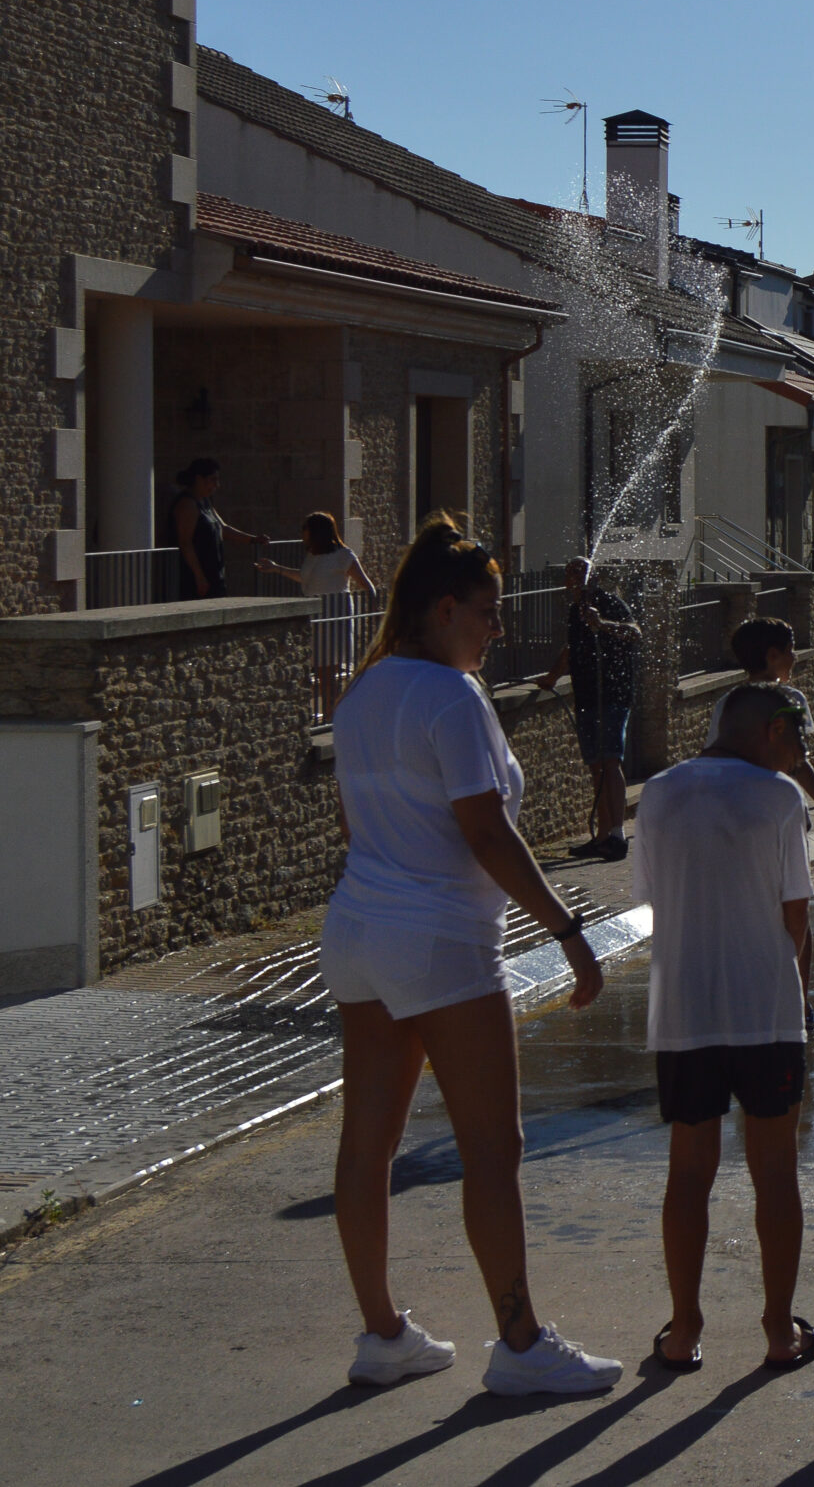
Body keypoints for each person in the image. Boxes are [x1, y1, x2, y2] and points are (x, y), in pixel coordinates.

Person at [318, 516, 620, 1396]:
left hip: (358, 931)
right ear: (443, 609)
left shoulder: (364, 692)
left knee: (367, 1144)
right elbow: (486, 832)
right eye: (486, 612)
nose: (497, 627)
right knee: (493, 1146)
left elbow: (356, 824)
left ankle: (382, 1335)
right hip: (441, 938)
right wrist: (568, 932)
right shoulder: (452, 696)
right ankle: (520, 1344)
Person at [633, 682, 814, 1372]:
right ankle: (778, 1329)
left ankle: (684, 1329)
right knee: (775, 1170)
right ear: (772, 730)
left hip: (684, 1010)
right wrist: (787, 985)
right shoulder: (778, 797)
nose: (802, 754)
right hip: (764, 1010)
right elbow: (795, 915)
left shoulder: (658, 794)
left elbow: (653, 901)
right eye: (799, 739)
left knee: (688, 1171)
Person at [536, 557, 642, 861]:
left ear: (593, 578)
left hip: (612, 693)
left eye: (581, 573)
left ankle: (618, 836)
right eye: (572, 573)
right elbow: (573, 648)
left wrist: (603, 624)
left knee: (610, 760)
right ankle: (602, 835)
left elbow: (635, 633)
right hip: (586, 695)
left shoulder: (608, 603)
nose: (576, 579)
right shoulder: (575, 611)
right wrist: (552, 677)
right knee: (596, 764)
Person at [731, 616, 814, 860]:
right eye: (790, 650)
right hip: (782, 817)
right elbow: (799, 763)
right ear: (772, 656)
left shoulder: (728, 705)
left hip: (741, 822)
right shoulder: (790, 700)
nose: (795, 657)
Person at [258, 512, 378, 714]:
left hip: (334, 618)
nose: (303, 533)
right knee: (323, 672)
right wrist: (277, 569)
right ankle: (331, 714)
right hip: (316, 618)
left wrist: (372, 615)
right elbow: (306, 579)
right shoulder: (313, 555)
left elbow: (367, 586)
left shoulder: (344, 556)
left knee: (329, 673)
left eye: (305, 529)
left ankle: (332, 715)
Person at [169, 458, 265, 600]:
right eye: (213, 480)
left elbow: (222, 528)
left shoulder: (205, 501)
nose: (216, 485)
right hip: (195, 578)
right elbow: (185, 543)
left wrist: (252, 539)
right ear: (199, 479)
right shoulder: (187, 504)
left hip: (214, 574)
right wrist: (199, 576)